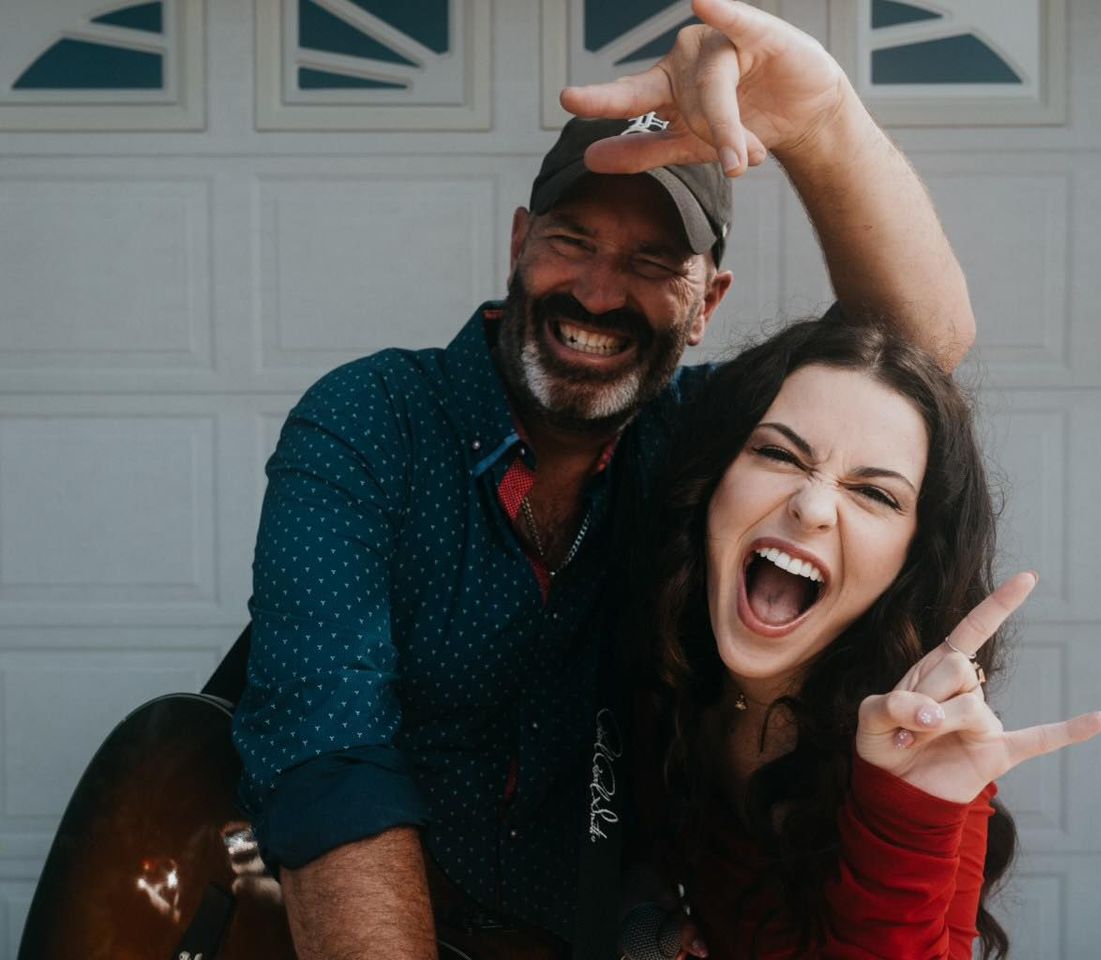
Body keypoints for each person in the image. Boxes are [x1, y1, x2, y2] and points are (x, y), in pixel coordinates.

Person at [232, 1, 980, 956]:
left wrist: (824, 119)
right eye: (572, 241)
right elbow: (331, 761)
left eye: (653, 261)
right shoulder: (371, 419)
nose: (596, 291)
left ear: (708, 303)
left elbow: (919, 352)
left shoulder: (705, 442)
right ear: (519, 243)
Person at [630, 316, 1101, 959]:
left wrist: (905, 814)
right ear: (713, 481)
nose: (812, 506)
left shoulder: (934, 746)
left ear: (909, 561)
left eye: (876, 494)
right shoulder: (660, 652)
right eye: (776, 454)